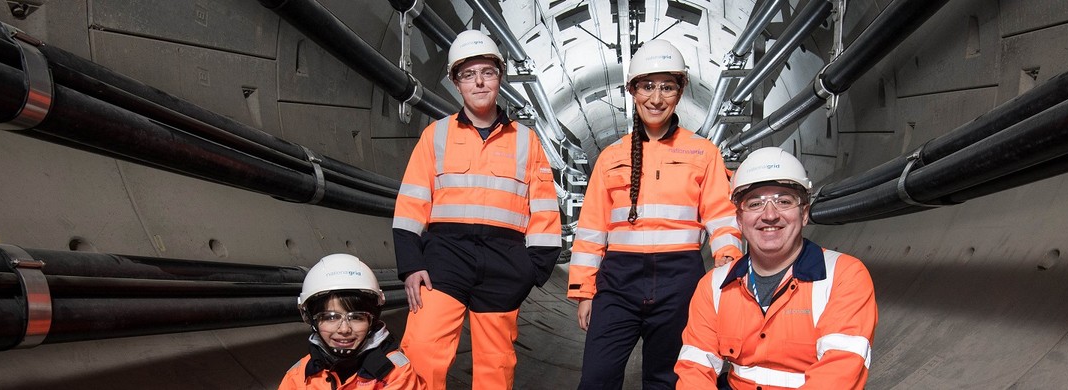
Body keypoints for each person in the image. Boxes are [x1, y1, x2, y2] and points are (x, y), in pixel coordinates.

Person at [567, 39, 744, 389]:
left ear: (679, 92)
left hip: (680, 281)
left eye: (667, 86)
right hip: (618, 282)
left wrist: (728, 266)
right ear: (632, 90)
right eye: (647, 86)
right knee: (596, 378)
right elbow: (591, 231)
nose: (656, 97)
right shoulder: (611, 157)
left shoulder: (703, 153)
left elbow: (722, 218)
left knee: (667, 380)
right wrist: (585, 292)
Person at [391, 29, 562, 390]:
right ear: (456, 81)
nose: (479, 82)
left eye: (487, 72)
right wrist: (411, 264)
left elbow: (545, 211)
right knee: (422, 350)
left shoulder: (526, 141)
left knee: (495, 367)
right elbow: (410, 204)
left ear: (500, 76)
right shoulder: (435, 135)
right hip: (444, 259)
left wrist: (531, 271)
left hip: (504, 262)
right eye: (468, 74)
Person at [674, 147, 878, 389]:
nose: (769, 215)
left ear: (804, 213)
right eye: (755, 204)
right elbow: (695, 371)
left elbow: (837, 374)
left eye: (783, 201)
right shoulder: (713, 286)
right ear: (739, 219)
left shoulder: (844, 276)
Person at [280, 254, 425, 390]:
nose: (344, 329)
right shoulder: (298, 378)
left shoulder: (396, 374)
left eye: (356, 317)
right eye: (331, 317)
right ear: (312, 320)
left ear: (372, 320)